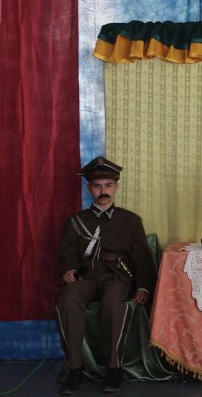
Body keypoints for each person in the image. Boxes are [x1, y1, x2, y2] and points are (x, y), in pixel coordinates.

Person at [55, 156, 156, 394]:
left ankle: (114, 368)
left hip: (117, 278)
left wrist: (143, 286)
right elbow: (66, 255)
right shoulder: (76, 221)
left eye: (108, 185)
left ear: (116, 187)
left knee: (113, 302)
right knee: (68, 298)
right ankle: (74, 369)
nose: (103, 191)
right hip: (87, 277)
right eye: (98, 186)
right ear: (89, 188)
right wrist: (69, 270)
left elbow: (142, 258)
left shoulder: (131, 220)